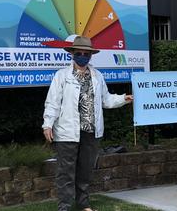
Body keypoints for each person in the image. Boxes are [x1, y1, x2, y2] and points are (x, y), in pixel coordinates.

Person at [42, 36, 133, 211]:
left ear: (91, 55)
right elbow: (52, 102)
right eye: (79, 53)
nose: (83, 56)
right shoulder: (61, 76)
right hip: (67, 132)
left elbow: (106, 100)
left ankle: (83, 205)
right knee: (65, 173)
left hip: (91, 132)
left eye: (86, 54)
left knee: (85, 171)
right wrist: (47, 124)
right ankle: (65, 207)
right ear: (72, 54)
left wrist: (124, 98)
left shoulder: (97, 76)